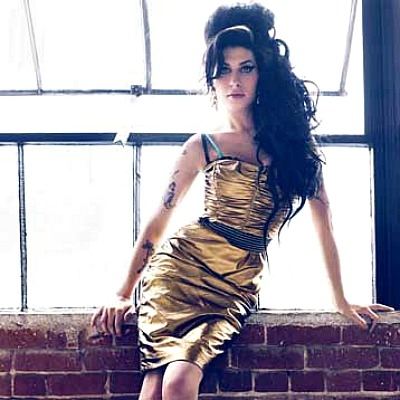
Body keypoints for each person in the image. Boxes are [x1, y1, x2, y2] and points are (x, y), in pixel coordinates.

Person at [91, 3, 394, 399]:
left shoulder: (296, 148)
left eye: (245, 68)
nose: (234, 81)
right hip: (178, 271)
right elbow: (158, 221)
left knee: (176, 381)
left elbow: (326, 225)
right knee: (156, 386)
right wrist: (121, 292)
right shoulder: (202, 145)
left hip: (235, 281)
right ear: (212, 80)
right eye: (223, 71)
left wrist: (340, 298)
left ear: (262, 73)